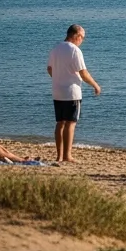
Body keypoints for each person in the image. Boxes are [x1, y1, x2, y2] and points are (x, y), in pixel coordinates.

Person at [47, 24, 101, 164]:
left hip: (57, 91)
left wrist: (58, 78)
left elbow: (49, 68)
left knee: (60, 123)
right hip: (71, 92)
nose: (82, 40)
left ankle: (59, 156)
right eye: (82, 37)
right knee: (70, 123)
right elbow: (83, 73)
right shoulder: (75, 50)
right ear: (76, 36)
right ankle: (67, 155)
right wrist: (95, 85)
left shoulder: (56, 48)